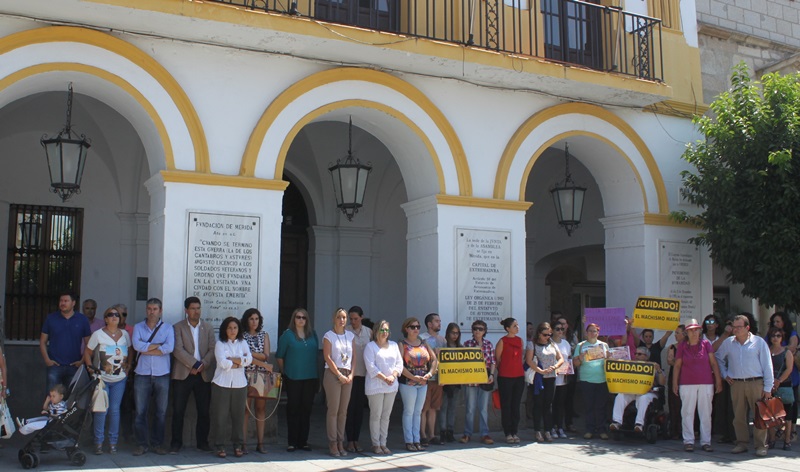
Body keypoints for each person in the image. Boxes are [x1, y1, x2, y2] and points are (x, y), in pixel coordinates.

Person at [714, 314, 774, 457]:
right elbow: (718, 357)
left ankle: (761, 445)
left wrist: (768, 387)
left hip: (756, 382)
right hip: (737, 384)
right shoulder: (729, 342)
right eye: (734, 327)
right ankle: (742, 443)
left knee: (759, 415)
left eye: (739, 327)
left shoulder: (758, 342)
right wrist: (725, 374)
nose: (735, 330)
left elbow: (767, 365)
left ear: (747, 328)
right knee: (739, 416)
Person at [171, 296, 216, 454]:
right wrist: (193, 364)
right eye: (193, 308)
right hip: (184, 373)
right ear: (186, 310)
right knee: (178, 410)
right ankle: (176, 443)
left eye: (198, 308)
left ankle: (202, 442)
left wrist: (202, 364)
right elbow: (177, 349)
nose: (196, 311)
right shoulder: (178, 327)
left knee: (204, 410)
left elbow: (212, 349)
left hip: (203, 374)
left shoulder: (208, 327)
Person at [85, 306, 132, 455]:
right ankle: (98, 442)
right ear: (105, 319)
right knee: (101, 410)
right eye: (110, 315)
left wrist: (129, 366)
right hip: (102, 379)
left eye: (117, 315)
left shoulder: (125, 334)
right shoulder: (98, 334)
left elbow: (130, 350)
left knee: (114, 410)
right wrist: (90, 368)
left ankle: (113, 442)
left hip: (119, 379)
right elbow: (88, 352)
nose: (114, 317)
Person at [132, 298, 174, 456]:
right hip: (142, 374)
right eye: (149, 308)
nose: (151, 312)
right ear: (146, 310)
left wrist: (146, 348)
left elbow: (169, 347)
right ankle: (141, 444)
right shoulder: (138, 327)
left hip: (162, 374)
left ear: (160, 311)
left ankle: (158, 444)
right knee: (140, 412)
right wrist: (159, 345)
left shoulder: (168, 328)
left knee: (161, 412)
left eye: (155, 309)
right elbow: (137, 346)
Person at [276, 308, 319, 452]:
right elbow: (280, 356)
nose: (301, 320)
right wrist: (284, 373)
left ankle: (303, 441)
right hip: (293, 377)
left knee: (306, 409)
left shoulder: (313, 334)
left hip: (310, 377)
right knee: (293, 408)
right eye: (298, 317)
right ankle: (292, 442)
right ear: (293, 319)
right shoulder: (287, 335)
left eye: (304, 317)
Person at [211, 317, 252, 458]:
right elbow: (222, 363)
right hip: (222, 384)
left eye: (235, 328)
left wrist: (234, 361)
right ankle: (220, 445)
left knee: (238, 416)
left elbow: (249, 360)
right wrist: (239, 361)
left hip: (240, 384)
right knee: (221, 416)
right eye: (229, 328)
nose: (232, 331)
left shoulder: (243, 343)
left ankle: (238, 445)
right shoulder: (220, 344)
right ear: (225, 329)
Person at [363, 320, 403, 455]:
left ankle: (383, 443)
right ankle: (376, 444)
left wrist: (393, 376)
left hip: (391, 385)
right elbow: (371, 367)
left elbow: (399, 363)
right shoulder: (370, 347)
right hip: (376, 386)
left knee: (386, 416)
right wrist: (384, 378)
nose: (384, 332)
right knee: (376, 415)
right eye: (382, 330)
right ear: (376, 331)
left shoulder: (393, 345)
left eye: (386, 330)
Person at [398, 317, 437, 451]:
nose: (416, 329)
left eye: (418, 327)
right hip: (408, 382)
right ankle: (409, 441)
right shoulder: (402, 344)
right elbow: (399, 365)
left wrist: (430, 374)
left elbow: (434, 360)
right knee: (409, 411)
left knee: (418, 411)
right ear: (406, 329)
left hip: (423, 382)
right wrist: (412, 377)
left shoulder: (424, 343)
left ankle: (417, 440)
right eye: (413, 327)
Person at [322, 308, 356, 457]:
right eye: (339, 317)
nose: (342, 320)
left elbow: (354, 357)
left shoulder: (350, 336)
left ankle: (341, 441)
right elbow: (327, 357)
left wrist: (351, 375)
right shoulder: (329, 336)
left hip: (348, 374)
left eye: (344, 317)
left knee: (343, 411)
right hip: (333, 374)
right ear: (334, 319)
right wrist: (339, 375)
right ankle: (333, 443)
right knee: (333, 410)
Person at [40, 291, 91, 391]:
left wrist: (82, 361)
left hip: (74, 366)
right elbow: (42, 341)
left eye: (66, 301)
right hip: (54, 366)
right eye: (61, 301)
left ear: (73, 303)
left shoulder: (82, 319)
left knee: (71, 399)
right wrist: (47, 360)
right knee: (52, 397)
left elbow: (88, 344)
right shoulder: (51, 318)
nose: (63, 303)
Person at [610, 346, 667, 431]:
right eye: (635, 353)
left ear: (646, 356)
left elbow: (662, 382)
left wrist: (658, 370)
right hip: (632, 391)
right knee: (620, 396)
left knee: (643, 398)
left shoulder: (653, 366)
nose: (636, 356)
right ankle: (617, 422)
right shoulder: (630, 365)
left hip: (647, 392)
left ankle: (639, 424)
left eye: (639, 354)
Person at [526, 322, 564, 442]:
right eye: (545, 334)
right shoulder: (532, 344)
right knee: (538, 404)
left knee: (548, 404)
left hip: (551, 377)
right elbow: (529, 360)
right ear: (539, 333)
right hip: (538, 378)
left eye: (549, 334)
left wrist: (555, 366)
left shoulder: (552, 343)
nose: (547, 337)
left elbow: (561, 358)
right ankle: (537, 430)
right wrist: (540, 371)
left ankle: (547, 430)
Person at [242, 308, 272, 454]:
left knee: (260, 409)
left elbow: (266, 356)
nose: (254, 322)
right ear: (246, 320)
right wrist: (254, 356)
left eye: (256, 319)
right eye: (251, 319)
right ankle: (243, 443)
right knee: (245, 410)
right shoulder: (242, 336)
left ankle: (260, 443)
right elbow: (243, 357)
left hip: (261, 376)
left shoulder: (264, 335)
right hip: (245, 375)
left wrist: (250, 354)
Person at [461, 319, 495, 445]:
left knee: (483, 408)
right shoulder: (467, 344)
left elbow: (492, 362)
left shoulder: (489, 344)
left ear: (484, 331)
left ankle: (484, 433)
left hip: (484, 379)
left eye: (480, 329)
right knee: (470, 408)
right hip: (471, 380)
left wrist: (491, 375)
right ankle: (467, 433)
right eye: (475, 328)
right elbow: (462, 362)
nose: (477, 331)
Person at [573, 322, 610, 439]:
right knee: (588, 406)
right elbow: (575, 364)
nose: (592, 333)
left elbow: (609, 362)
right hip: (586, 380)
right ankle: (589, 429)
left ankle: (602, 430)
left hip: (602, 379)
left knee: (601, 406)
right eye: (590, 331)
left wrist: (609, 358)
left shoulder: (604, 345)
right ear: (586, 332)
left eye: (594, 331)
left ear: (598, 333)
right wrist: (580, 357)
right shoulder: (581, 345)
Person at [345, 306, 372, 453]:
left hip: (364, 375)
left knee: (360, 409)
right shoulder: (346, 331)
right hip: (350, 375)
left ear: (361, 317)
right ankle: (349, 440)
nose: (353, 321)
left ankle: (357, 439)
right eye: (351, 319)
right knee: (350, 408)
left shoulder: (369, 332)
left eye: (356, 318)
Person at [495, 317, 524, 444]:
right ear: (508, 328)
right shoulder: (502, 341)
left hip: (519, 376)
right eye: (514, 326)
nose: (517, 328)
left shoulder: (520, 340)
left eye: (517, 325)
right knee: (506, 405)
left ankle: (515, 431)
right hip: (505, 376)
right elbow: (498, 358)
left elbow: (521, 358)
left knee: (516, 405)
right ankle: (508, 432)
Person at [767, 326, 794, 450]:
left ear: (782, 338)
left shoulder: (786, 352)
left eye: (778, 336)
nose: (775, 338)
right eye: (773, 336)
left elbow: (789, 369)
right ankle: (772, 439)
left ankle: (787, 440)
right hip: (770, 386)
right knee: (771, 415)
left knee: (787, 415)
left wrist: (779, 380)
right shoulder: (766, 351)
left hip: (785, 385)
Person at [420, 312, 444, 446]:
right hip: (426, 377)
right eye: (436, 321)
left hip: (439, 378)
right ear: (429, 324)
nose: (439, 323)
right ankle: (422, 434)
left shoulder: (443, 340)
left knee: (434, 407)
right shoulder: (422, 338)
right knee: (424, 407)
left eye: (439, 321)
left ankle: (432, 434)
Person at [439, 323, 462, 442]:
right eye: (453, 333)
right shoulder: (444, 346)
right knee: (444, 407)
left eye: (457, 333)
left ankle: (450, 431)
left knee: (453, 407)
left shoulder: (461, 348)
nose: (455, 335)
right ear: (448, 333)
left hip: (456, 382)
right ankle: (442, 431)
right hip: (445, 382)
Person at [556, 315, 578, 432]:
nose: (562, 327)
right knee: (557, 400)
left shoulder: (571, 338)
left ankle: (569, 423)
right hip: (556, 373)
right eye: (560, 324)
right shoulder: (552, 340)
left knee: (569, 399)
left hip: (569, 372)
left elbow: (574, 352)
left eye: (564, 324)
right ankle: (556, 424)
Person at [552, 321, 572, 439]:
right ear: (552, 330)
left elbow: (568, 358)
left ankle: (560, 426)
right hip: (551, 377)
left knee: (560, 404)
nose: (560, 331)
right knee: (552, 404)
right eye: (557, 329)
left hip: (563, 378)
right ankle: (552, 427)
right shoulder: (550, 343)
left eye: (562, 329)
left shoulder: (566, 343)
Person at [665, 324, 685, 439]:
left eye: (678, 333)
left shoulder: (690, 346)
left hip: (687, 376)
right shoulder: (673, 347)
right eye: (675, 333)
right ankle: (675, 430)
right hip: (675, 376)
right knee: (675, 403)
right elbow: (670, 361)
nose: (676, 335)